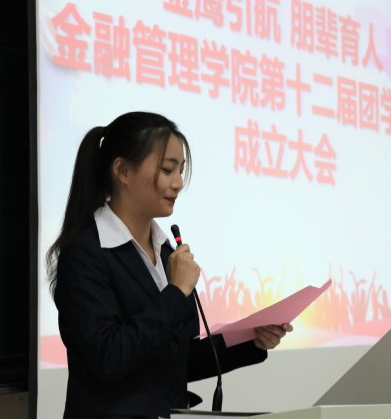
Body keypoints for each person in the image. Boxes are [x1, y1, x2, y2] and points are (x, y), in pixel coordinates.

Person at [47, 112, 292, 419]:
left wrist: (250, 340)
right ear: (123, 170)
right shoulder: (85, 254)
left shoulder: (166, 253)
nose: (178, 183)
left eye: (181, 171)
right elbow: (109, 358)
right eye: (167, 170)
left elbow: (174, 359)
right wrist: (175, 293)